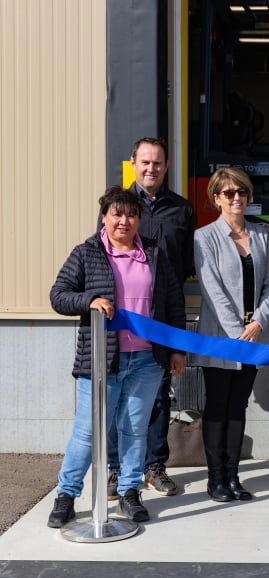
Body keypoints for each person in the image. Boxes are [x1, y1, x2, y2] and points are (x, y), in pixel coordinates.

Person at [47, 187, 186, 527]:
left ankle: (128, 492)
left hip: (146, 360)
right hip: (100, 361)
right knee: (87, 431)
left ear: (139, 219)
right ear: (105, 217)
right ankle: (66, 494)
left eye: (131, 215)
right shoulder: (87, 253)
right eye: (117, 214)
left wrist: (176, 349)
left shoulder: (154, 253)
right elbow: (59, 295)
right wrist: (89, 300)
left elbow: (173, 303)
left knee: (135, 430)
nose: (124, 221)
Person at [106, 137, 195, 500]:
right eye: (144, 162)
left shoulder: (182, 210)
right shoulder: (117, 205)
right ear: (133, 163)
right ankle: (115, 469)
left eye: (157, 163)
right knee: (117, 398)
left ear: (166, 165)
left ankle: (154, 466)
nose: (150, 169)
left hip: (160, 318)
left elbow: (186, 263)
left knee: (159, 396)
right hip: (123, 317)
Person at [191, 167, 269, 502]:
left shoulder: (261, 235)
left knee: (238, 406)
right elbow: (211, 289)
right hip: (220, 338)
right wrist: (237, 334)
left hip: (252, 337)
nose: (237, 198)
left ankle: (233, 476)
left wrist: (258, 322)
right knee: (218, 406)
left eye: (242, 192)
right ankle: (216, 479)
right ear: (217, 199)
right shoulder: (205, 236)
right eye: (229, 193)